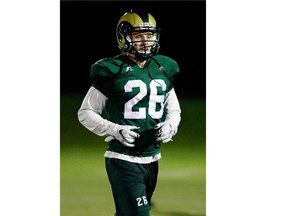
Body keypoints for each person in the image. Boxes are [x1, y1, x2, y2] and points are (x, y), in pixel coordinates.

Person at [78, 10, 181, 216]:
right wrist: (114, 129)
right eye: (138, 35)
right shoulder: (111, 70)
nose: (145, 41)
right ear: (124, 37)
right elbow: (86, 112)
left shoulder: (163, 67)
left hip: (152, 158)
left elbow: (174, 109)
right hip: (123, 159)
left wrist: (170, 126)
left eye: (149, 35)